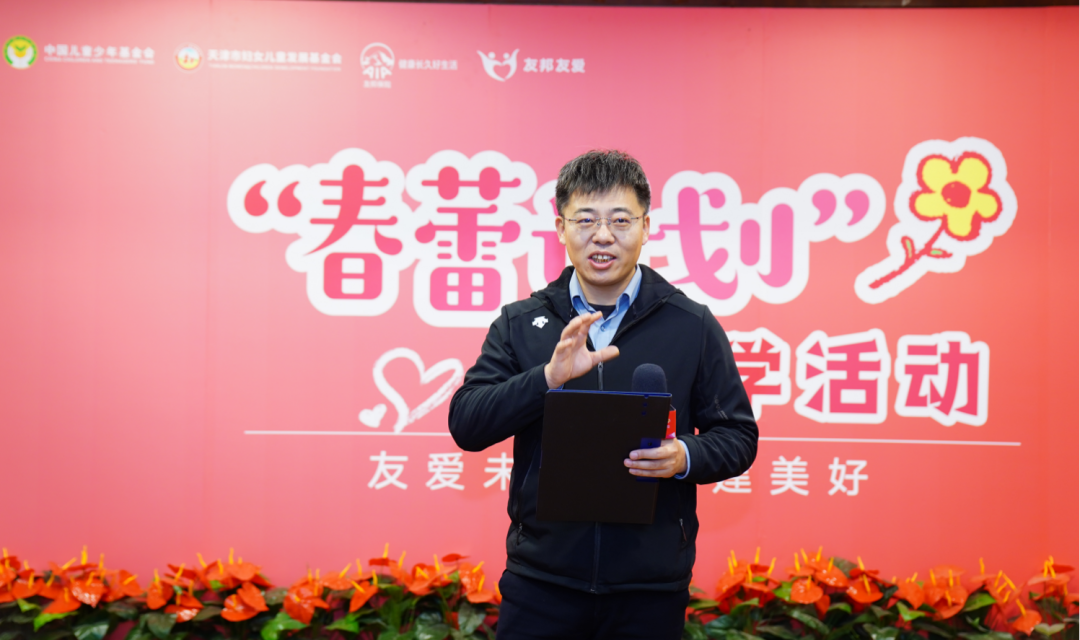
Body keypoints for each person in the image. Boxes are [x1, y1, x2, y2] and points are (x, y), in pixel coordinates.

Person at [448, 150, 758, 640]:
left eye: (620, 220)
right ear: (560, 227)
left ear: (646, 226)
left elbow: (738, 436)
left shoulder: (691, 324)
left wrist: (684, 456)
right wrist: (546, 378)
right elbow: (467, 424)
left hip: (649, 590)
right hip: (541, 584)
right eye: (586, 219)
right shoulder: (521, 322)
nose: (603, 235)